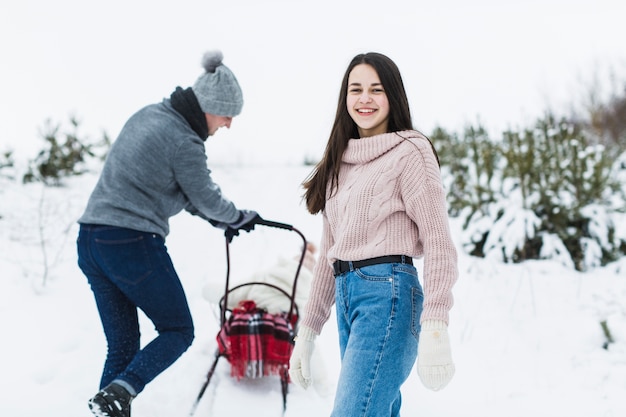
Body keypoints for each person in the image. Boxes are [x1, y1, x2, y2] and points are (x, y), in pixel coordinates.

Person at [76, 50, 262, 417]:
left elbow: (177, 190)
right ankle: (119, 395)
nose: (228, 125)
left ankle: (111, 404)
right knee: (178, 330)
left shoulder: (150, 115)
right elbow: (205, 196)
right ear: (210, 106)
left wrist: (219, 219)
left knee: (123, 346)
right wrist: (236, 217)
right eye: (227, 115)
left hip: (91, 242)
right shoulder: (184, 140)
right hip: (131, 242)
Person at [289, 52, 459, 416]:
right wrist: (307, 331)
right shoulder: (339, 161)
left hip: (388, 294)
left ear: (392, 96)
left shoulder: (411, 151)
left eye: (376, 89)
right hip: (347, 295)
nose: (364, 98)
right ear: (345, 98)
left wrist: (435, 322)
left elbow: (438, 242)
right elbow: (330, 255)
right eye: (356, 89)